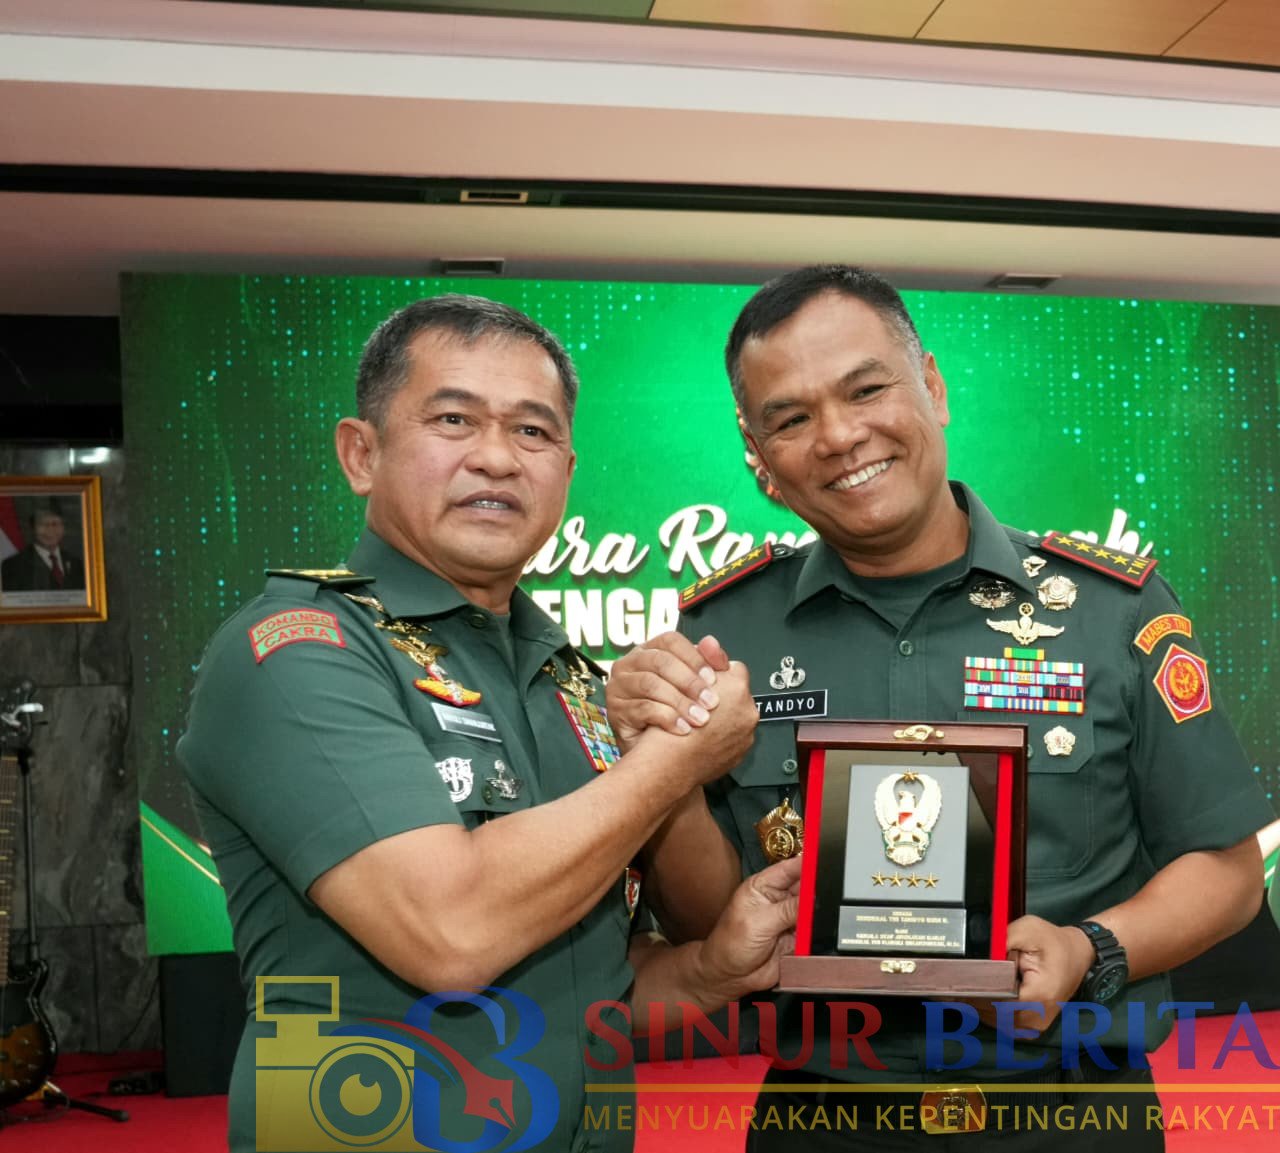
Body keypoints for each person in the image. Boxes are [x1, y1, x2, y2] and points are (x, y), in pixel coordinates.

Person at [608, 265, 1269, 1150]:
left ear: (934, 386)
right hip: (824, 1118)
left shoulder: (1112, 611)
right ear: (756, 451)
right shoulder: (723, 636)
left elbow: (1227, 870)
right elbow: (711, 927)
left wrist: (1090, 948)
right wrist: (667, 771)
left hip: (1075, 1116)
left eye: (866, 389)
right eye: (791, 419)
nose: (839, 436)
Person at [177, 294, 798, 1153]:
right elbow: (453, 932)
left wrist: (707, 971)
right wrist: (673, 762)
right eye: (453, 419)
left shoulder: (574, 684)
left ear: (566, 472)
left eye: (532, 431)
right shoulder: (295, 651)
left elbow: (592, 988)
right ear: (361, 454)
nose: (497, 458)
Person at [0, 506, 85, 591]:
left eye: (55, 524)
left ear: (64, 528)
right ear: (32, 529)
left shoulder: (76, 563)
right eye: (42, 524)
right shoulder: (13, 565)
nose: (50, 530)